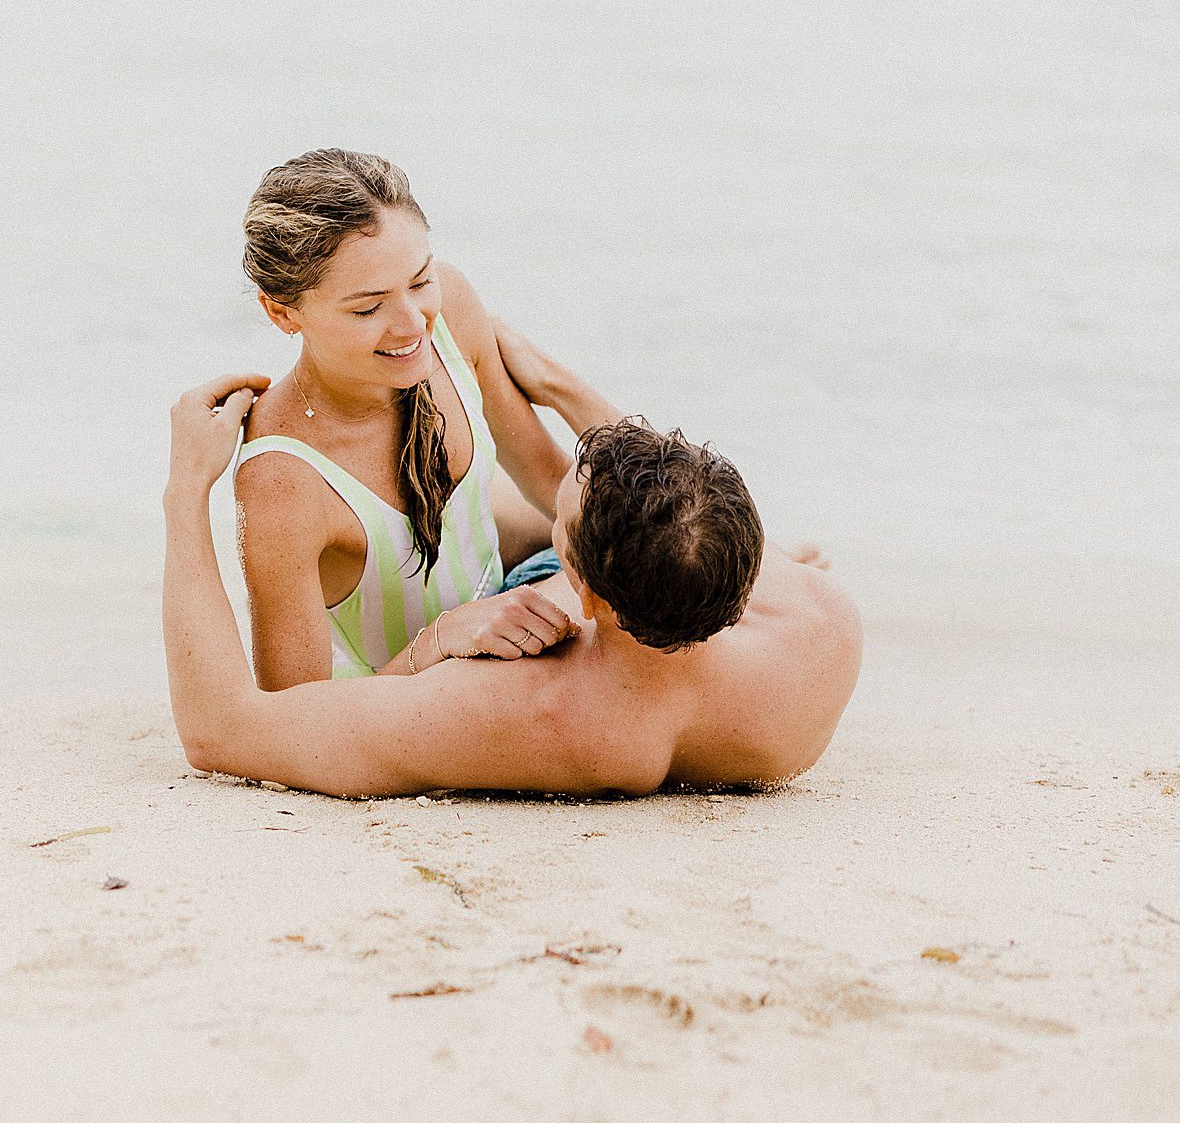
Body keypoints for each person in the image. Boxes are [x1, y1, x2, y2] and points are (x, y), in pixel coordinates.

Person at [161, 327, 863, 798]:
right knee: (637, 526)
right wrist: (555, 384)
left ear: (583, 593)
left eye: (563, 522)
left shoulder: (524, 710)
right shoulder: (821, 620)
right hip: (653, 627)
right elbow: (680, 519)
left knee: (476, 509)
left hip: (559, 646)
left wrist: (186, 492)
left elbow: (224, 729)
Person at [232, 149, 586, 689]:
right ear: (282, 311)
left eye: (419, 282)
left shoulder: (451, 313)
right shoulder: (281, 480)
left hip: (516, 600)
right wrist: (444, 638)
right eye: (367, 308)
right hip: (411, 697)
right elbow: (295, 717)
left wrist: (560, 386)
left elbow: (550, 481)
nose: (411, 324)